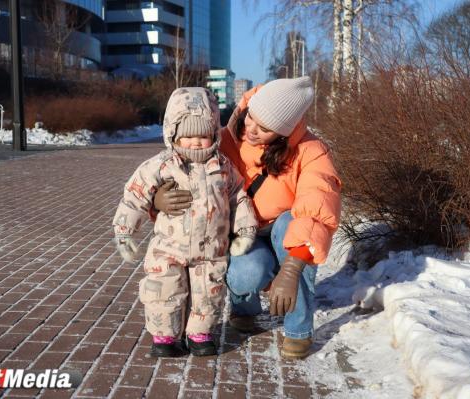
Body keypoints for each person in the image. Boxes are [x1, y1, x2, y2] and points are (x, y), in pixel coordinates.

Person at [153, 77, 342, 359]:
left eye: (264, 129)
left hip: (286, 232)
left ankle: (298, 329)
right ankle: (245, 309)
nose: (251, 130)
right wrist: (158, 200)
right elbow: (186, 173)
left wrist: (290, 270)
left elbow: (316, 211)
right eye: (250, 117)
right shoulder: (227, 139)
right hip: (245, 232)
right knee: (244, 275)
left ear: (284, 133)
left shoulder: (312, 152)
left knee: (291, 226)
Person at [112, 87, 257, 357]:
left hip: (211, 250)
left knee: (208, 292)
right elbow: (135, 195)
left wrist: (246, 231)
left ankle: (199, 333)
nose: (195, 142)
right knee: (164, 291)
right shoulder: (162, 165)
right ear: (173, 134)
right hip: (169, 248)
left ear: (214, 134)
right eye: (187, 135)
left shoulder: (223, 166)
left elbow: (239, 197)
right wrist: (125, 232)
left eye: (202, 135)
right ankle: (165, 336)